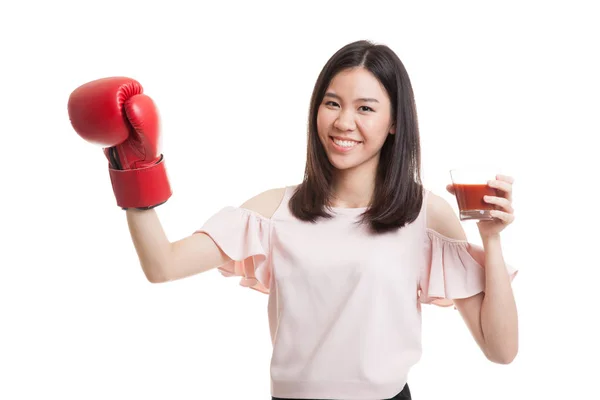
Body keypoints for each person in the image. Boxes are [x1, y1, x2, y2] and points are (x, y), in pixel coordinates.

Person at [67, 40, 518, 400]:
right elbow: (162, 266)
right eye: (332, 103)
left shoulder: (425, 213)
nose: (343, 122)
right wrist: (134, 169)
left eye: (365, 107)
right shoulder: (274, 210)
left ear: (395, 122)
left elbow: (501, 350)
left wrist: (492, 242)